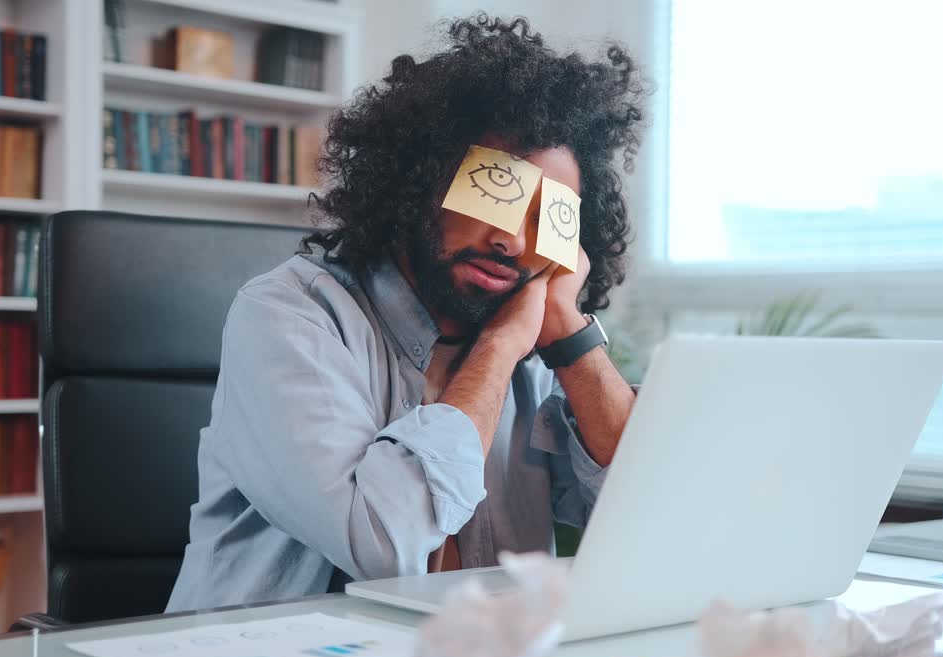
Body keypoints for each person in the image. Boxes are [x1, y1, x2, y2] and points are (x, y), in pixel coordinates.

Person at [166, 15, 646, 611]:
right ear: (420, 179)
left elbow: (646, 515)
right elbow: (383, 545)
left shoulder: (535, 337)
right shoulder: (290, 315)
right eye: (497, 193)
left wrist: (568, 332)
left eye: (547, 219)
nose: (513, 242)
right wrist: (500, 346)